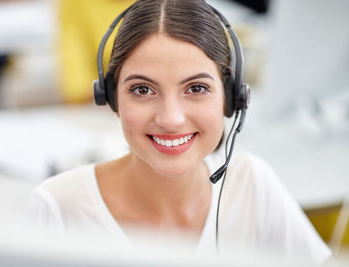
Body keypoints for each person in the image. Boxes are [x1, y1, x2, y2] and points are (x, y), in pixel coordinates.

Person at [26, 0, 331, 263]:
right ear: (110, 96)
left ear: (231, 96)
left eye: (196, 88)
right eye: (142, 89)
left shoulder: (252, 186)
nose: (170, 119)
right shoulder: (59, 207)